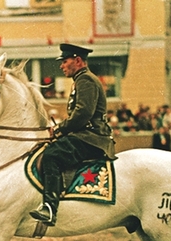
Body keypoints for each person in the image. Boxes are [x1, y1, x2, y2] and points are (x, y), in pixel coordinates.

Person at [29, 43, 116, 226]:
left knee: (51, 156)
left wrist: (60, 129)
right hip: (86, 136)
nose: (61, 66)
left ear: (77, 61)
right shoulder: (81, 80)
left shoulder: (86, 80)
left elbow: (83, 114)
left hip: (92, 138)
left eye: (65, 61)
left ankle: (50, 208)